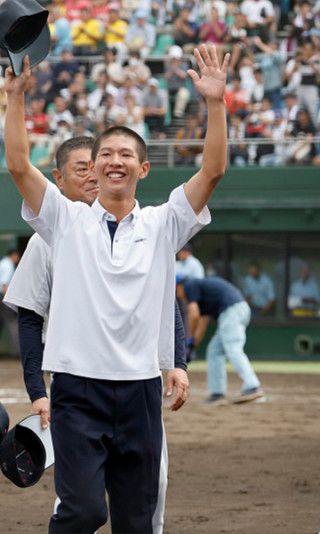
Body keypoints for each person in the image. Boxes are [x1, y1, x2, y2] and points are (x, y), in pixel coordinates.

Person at [3, 44, 229, 532]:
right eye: (105, 154)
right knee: (83, 510)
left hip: (140, 392)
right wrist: (16, 97)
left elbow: (212, 171)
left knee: (136, 521)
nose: (114, 161)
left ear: (143, 168)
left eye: (126, 154)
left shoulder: (165, 222)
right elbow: (20, 166)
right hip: (76, 391)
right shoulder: (65, 221)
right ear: (94, 167)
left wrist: (214, 103)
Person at [2, 136, 188, 533]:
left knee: (148, 497)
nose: (92, 174)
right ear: (58, 179)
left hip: (137, 384)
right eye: (82, 168)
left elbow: (163, 300)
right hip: (78, 381)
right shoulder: (51, 233)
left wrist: (176, 362)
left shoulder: (144, 230)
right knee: (80, 505)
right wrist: (37, 391)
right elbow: (30, 319)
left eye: (96, 164)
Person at [176, 275, 263, 405]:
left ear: (179, 286)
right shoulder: (202, 295)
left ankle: (252, 386)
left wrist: (188, 340)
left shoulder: (190, 284)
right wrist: (192, 346)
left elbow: (193, 315)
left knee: (233, 348)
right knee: (214, 351)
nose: (178, 295)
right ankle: (217, 393)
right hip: (236, 311)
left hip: (232, 311)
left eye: (176, 290)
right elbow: (202, 323)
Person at [0, 248, 21, 355]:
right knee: (13, 323)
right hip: (4, 297)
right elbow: (4, 285)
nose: (18, 259)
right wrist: (9, 301)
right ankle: (17, 352)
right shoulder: (8, 264)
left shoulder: (3, 263)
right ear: (14, 255)